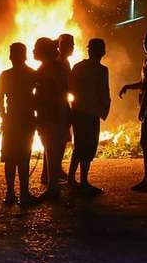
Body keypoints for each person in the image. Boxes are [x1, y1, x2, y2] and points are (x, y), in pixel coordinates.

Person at [119, 28, 147, 191]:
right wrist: (128, 86)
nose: (144, 44)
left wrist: (142, 109)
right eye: (143, 41)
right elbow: (144, 83)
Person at [0, 43, 40, 206]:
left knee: (11, 158)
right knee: (23, 157)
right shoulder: (32, 74)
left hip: (12, 119)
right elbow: (40, 95)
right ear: (25, 56)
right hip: (26, 119)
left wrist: (4, 116)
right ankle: (23, 194)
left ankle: (11, 194)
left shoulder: (5, 75)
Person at [68, 38, 111, 194]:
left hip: (79, 112)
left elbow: (70, 88)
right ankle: (83, 181)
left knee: (79, 146)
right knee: (88, 147)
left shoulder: (78, 67)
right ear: (102, 52)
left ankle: (72, 179)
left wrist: (74, 106)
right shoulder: (101, 70)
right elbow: (104, 92)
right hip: (91, 114)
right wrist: (104, 109)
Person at [34, 37, 69, 200]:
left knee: (52, 149)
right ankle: (51, 184)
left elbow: (54, 93)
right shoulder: (49, 66)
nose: (33, 51)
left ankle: (53, 187)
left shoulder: (52, 68)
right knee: (50, 149)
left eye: (36, 48)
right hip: (50, 114)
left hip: (53, 114)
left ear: (44, 51)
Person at [40, 33, 74, 184]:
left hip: (62, 104)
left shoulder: (64, 62)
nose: (71, 48)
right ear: (60, 46)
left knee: (60, 141)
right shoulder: (57, 63)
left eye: (72, 45)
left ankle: (53, 171)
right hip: (56, 107)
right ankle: (50, 174)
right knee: (54, 142)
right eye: (68, 45)